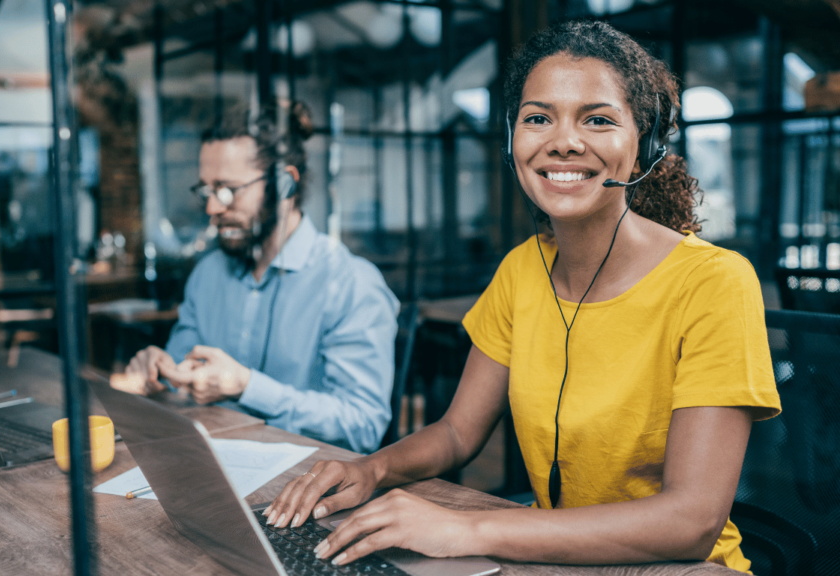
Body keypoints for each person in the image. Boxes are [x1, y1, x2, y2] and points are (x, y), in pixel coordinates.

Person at [265, 21, 780, 572]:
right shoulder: (522, 269)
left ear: (644, 147)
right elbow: (458, 432)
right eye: (538, 118)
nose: (562, 140)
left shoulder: (714, 282)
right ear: (513, 141)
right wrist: (372, 470)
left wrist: (465, 527)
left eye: (598, 119)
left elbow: (691, 523)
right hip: (551, 556)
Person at [112, 101, 399, 454]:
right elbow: (181, 379)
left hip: (307, 487)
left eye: (228, 190)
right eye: (206, 190)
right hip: (211, 467)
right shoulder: (208, 275)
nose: (212, 208)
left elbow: (362, 426)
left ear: (284, 186)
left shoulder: (350, 283)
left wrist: (246, 386)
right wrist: (161, 373)